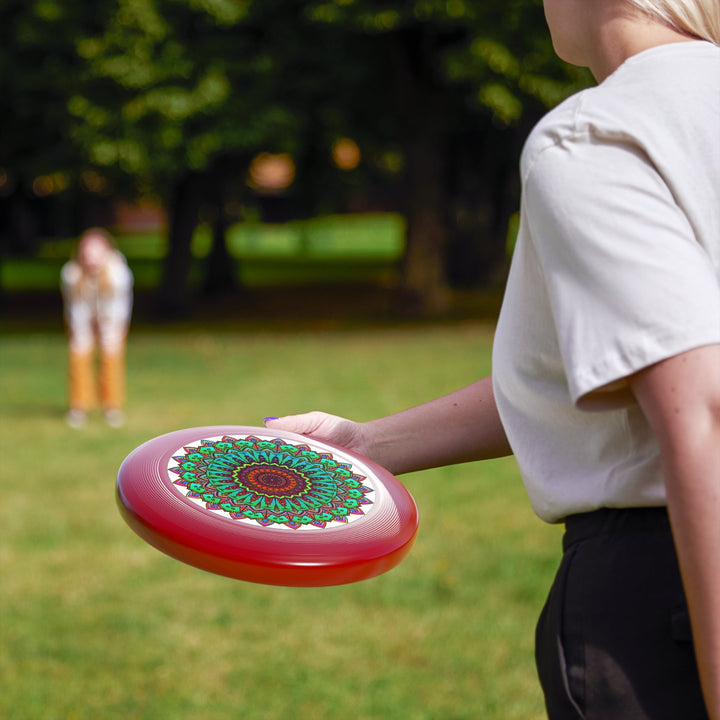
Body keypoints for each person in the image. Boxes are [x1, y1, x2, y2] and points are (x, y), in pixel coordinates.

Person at [263, 1, 720, 717]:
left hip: (669, 594)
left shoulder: (600, 134)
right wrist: (368, 444)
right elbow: (606, 369)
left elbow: (703, 408)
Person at [60, 227, 133, 428]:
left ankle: (112, 406)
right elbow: (76, 306)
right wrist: (84, 329)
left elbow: (118, 306)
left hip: (112, 319)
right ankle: (79, 406)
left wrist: (106, 327)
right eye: (87, 251)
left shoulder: (118, 273)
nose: (91, 257)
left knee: (111, 357)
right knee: (79, 354)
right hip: (82, 319)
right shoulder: (71, 273)